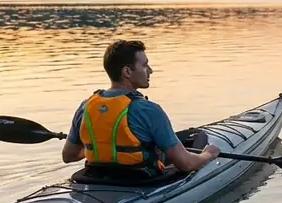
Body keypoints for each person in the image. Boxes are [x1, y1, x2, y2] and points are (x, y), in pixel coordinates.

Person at [61, 39, 220, 176]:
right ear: (127, 72)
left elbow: (69, 155)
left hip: (95, 176)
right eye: (145, 66)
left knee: (187, 136)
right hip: (140, 179)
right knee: (199, 140)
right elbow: (186, 164)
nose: (150, 70)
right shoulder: (148, 110)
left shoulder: (86, 106)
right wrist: (208, 154)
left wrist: (102, 146)